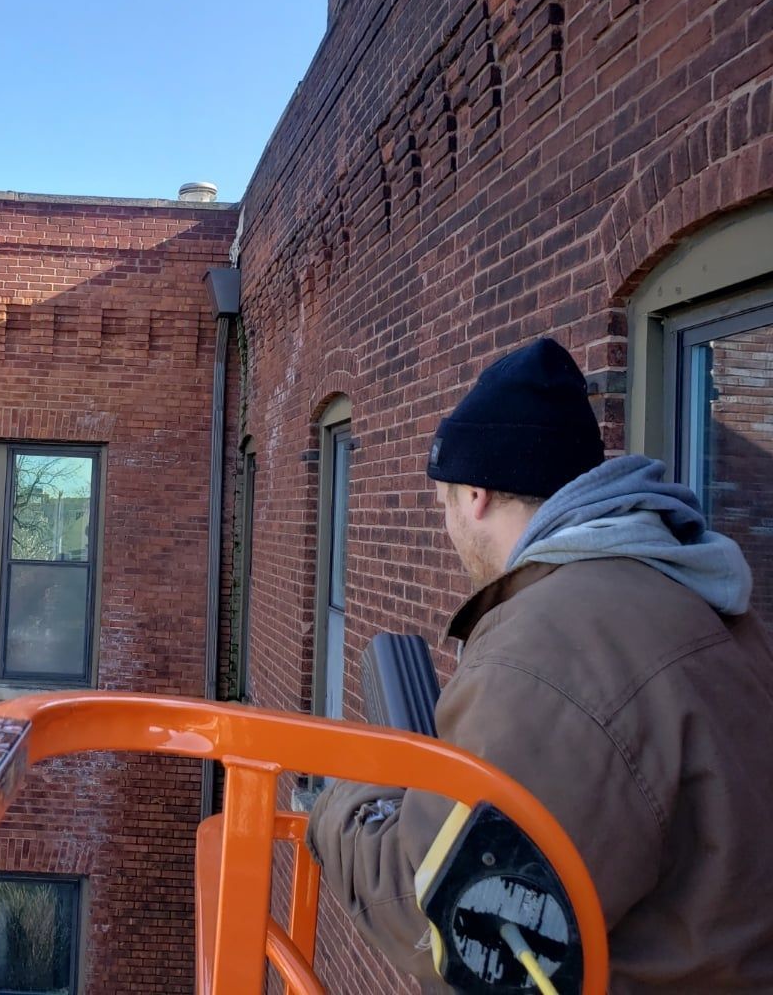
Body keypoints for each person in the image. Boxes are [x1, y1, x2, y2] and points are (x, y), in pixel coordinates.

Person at [306, 337, 773, 992]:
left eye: (443, 504)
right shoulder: (698, 598)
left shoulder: (549, 652)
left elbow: (449, 913)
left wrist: (346, 802)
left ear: (475, 495)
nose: (447, 528)